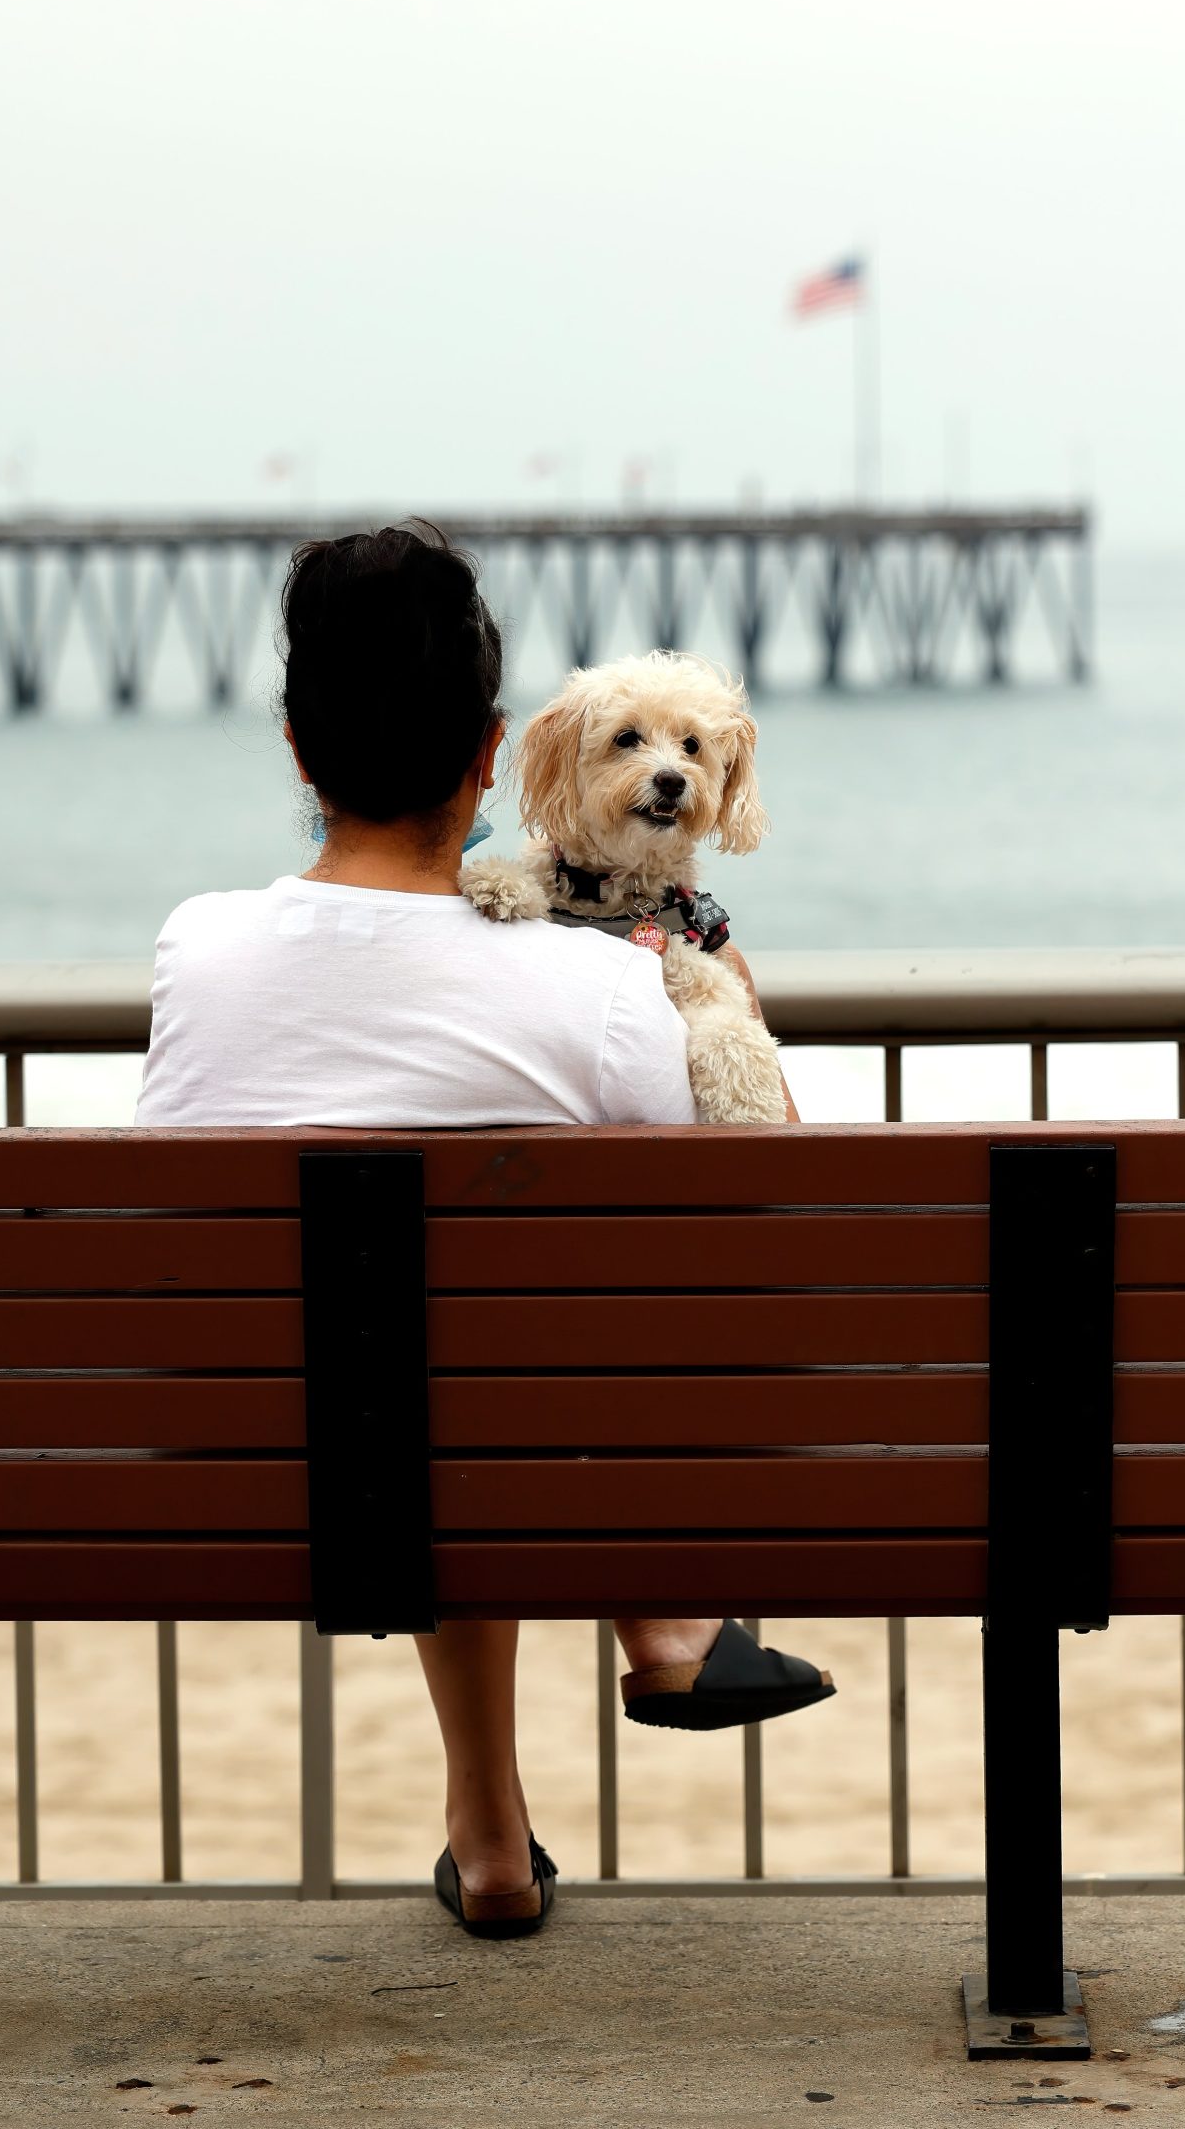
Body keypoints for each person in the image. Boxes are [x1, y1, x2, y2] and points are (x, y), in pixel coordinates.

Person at [136, 524, 831, 1937]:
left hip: (247, 1467)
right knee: (523, 1353)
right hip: (509, 1451)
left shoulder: (195, 949)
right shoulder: (598, 983)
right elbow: (770, 1217)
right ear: (499, 747)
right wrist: (727, 1001)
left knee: (418, 1370)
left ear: (294, 744)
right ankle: (670, 1622)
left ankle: (489, 1827)